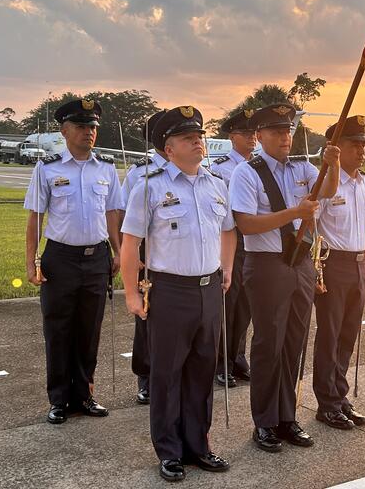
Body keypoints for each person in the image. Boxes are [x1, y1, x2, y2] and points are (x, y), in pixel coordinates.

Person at [120, 106, 236, 482]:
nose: (198, 142)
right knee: (167, 375)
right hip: (169, 291)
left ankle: (198, 446)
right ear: (169, 149)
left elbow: (229, 230)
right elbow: (129, 244)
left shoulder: (216, 182)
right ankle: (169, 451)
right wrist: (130, 294)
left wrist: (227, 267)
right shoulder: (149, 186)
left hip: (208, 290)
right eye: (188, 138)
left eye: (199, 136)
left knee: (203, 371)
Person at [228, 103, 340, 453]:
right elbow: (245, 224)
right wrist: (294, 212)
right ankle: (264, 422)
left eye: (288, 130)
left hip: (301, 264)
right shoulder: (247, 173)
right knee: (268, 345)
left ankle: (287, 417)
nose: (284, 137)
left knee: (294, 343)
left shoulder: (302, 168)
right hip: (265, 264)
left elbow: (328, 191)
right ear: (258, 136)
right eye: (276, 131)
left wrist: (332, 165)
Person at [24, 98, 123, 425]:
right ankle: (58, 400)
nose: (89, 132)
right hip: (60, 258)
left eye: (93, 126)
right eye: (81, 126)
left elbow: (111, 213)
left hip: (97, 258)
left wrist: (119, 250)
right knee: (58, 329)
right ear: (64, 131)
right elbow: (36, 219)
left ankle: (84, 395)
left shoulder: (106, 168)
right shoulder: (47, 168)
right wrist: (30, 262)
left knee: (88, 329)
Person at [312, 115, 365, 430]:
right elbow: (310, 225)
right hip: (332, 265)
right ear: (337, 148)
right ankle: (327, 403)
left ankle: (341, 396)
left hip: (358, 264)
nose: (361, 150)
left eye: (363, 144)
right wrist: (316, 269)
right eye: (353, 144)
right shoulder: (326, 183)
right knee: (330, 335)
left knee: (348, 334)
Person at [119, 109, 167, 406]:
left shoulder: (193, 170)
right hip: (147, 251)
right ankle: (147, 378)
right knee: (148, 317)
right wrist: (130, 255)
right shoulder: (141, 171)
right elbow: (126, 216)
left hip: (180, 254)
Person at [210, 108, 257, 388]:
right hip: (230, 240)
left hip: (254, 241)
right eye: (245, 133)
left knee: (246, 305)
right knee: (228, 304)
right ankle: (221, 362)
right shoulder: (220, 168)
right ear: (232, 136)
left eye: (254, 133)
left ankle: (238, 356)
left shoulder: (260, 165)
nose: (252, 138)